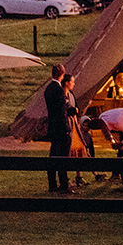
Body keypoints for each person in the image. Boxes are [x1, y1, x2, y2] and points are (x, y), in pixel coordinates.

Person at [43, 65, 71, 193]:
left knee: (53, 155)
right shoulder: (59, 90)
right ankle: (64, 184)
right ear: (62, 74)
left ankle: (52, 183)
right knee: (63, 157)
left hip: (53, 127)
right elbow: (62, 112)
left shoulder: (48, 89)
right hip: (60, 128)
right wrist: (67, 127)